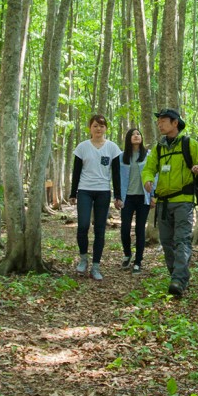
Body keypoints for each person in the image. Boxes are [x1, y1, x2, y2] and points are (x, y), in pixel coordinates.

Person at [142, 108, 198, 298]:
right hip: (163, 203)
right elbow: (149, 168)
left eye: (163, 121)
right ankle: (177, 277)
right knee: (166, 242)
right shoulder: (159, 147)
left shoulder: (190, 144)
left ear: (175, 123)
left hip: (184, 201)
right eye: (158, 122)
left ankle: (179, 280)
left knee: (182, 240)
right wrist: (147, 180)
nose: (160, 124)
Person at [69, 114, 122, 281]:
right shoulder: (82, 147)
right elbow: (76, 171)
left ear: (106, 128)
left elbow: (116, 174)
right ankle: (83, 260)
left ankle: (96, 266)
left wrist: (118, 195)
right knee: (83, 225)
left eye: (102, 126)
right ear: (90, 128)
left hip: (103, 191)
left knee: (100, 229)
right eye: (95, 126)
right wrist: (73, 193)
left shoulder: (112, 148)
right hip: (84, 190)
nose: (98, 129)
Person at [114, 127, 154, 273]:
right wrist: (117, 197)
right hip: (127, 198)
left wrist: (153, 196)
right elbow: (117, 179)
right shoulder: (121, 157)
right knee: (125, 229)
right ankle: (127, 254)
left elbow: (153, 176)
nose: (136, 136)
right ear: (128, 138)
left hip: (143, 197)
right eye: (133, 134)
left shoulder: (149, 155)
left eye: (138, 134)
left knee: (140, 230)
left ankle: (138, 261)